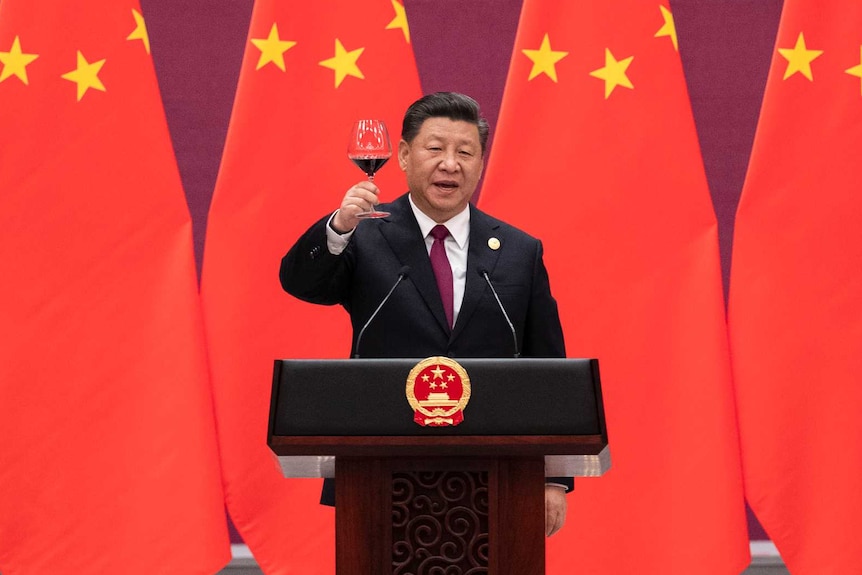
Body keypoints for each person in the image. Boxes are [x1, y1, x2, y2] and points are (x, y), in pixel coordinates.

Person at [280, 92, 571, 537]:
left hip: (496, 470)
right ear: (402, 155)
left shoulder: (518, 251)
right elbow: (300, 282)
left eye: (465, 152)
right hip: (380, 469)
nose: (450, 164)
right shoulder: (365, 234)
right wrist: (337, 228)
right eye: (435, 148)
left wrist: (554, 478)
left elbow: (549, 368)